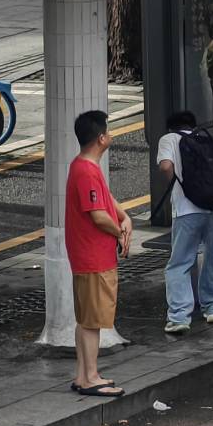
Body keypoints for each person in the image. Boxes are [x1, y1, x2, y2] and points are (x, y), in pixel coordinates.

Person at [65, 110, 130, 398]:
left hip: (87, 256)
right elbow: (98, 216)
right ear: (101, 138)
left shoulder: (84, 166)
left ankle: (83, 374)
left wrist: (124, 216)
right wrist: (121, 232)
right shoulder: (87, 171)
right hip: (94, 257)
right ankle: (90, 376)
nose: (111, 135)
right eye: (109, 130)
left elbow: (106, 199)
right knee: (93, 322)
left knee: (86, 319)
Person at [156, 110, 213, 334]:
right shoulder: (207, 138)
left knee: (180, 262)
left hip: (187, 210)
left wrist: (178, 184)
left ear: (171, 127)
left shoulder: (169, 139)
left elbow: (166, 166)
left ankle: (179, 317)